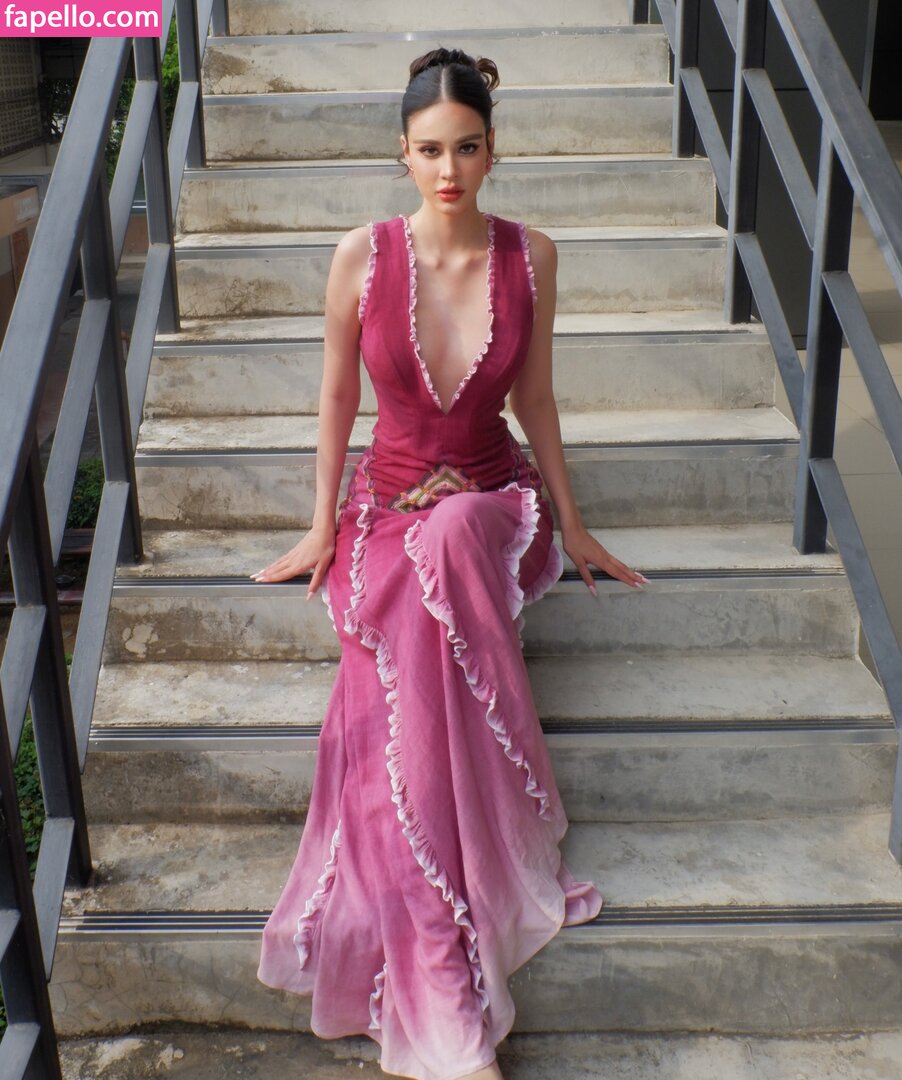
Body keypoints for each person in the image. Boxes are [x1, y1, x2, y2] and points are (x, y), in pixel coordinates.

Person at [254, 47, 648, 1080]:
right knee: (406, 648)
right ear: (401, 152)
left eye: (466, 149)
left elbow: (537, 400)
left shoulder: (532, 256)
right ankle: (441, 992)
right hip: (386, 518)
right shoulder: (361, 256)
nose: (448, 170)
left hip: (494, 513)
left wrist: (572, 524)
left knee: (454, 531)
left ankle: (440, 993)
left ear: (492, 149)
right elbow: (337, 398)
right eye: (429, 150)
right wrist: (320, 526)